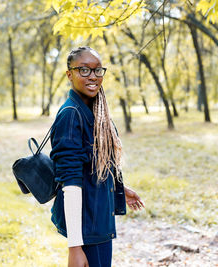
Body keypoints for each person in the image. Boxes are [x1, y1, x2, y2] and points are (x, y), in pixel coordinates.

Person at [49, 46, 145, 267]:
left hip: (98, 219)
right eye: (83, 70)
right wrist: (75, 247)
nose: (92, 76)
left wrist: (119, 188)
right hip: (87, 228)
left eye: (97, 70)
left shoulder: (94, 110)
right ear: (69, 74)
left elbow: (95, 166)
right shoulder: (71, 114)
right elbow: (70, 181)